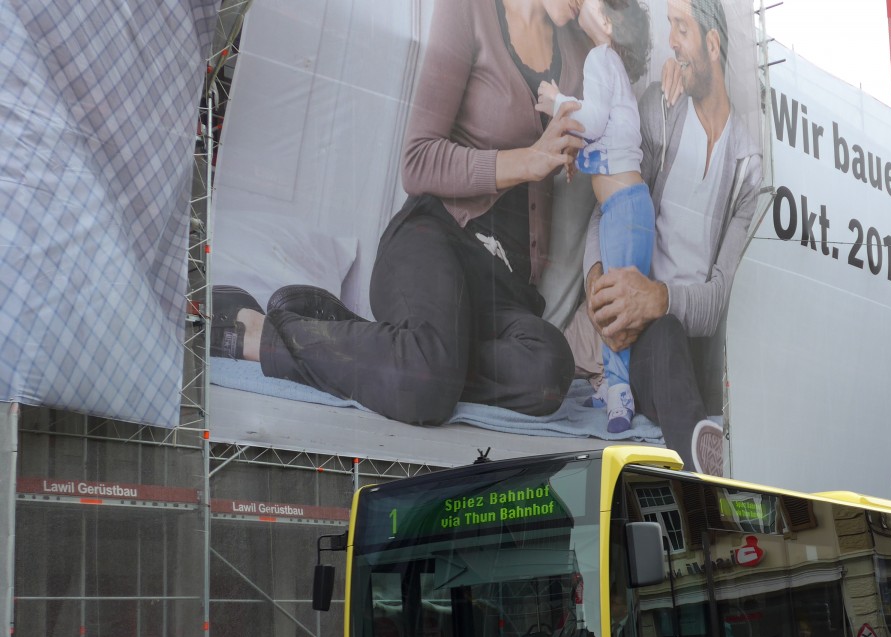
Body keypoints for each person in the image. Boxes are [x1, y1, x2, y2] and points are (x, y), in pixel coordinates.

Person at [209, 0, 591, 424]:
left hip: (503, 285)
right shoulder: (469, 11)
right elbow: (417, 161)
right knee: (425, 389)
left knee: (548, 370)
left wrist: (613, 37)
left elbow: (624, 94)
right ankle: (259, 333)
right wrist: (527, 161)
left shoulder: (579, 51)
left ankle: (384, 346)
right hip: (434, 242)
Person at [569, 0, 763, 474]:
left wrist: (658, 299)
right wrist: (598, 281)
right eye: (669, 27)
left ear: (712, 44)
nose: (671, 40)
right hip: (636, 339)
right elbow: (609, 210)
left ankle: (704, 473)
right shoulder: (660, 109)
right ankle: (702, 461)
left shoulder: (747, 167)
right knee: (661, 337)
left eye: (681, 28)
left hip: (688, 340)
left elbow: (717, 298)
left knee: (674, 333)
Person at [536, 0, 653, 433]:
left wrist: (555, 102)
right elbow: (609, 135)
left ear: (606, 21)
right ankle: (611, 382)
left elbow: (595, 118)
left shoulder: (599, 57)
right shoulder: (613, 67)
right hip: (623, 207)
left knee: (614, 305)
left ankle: (620, 391)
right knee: (607, 297)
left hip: (622, 209)